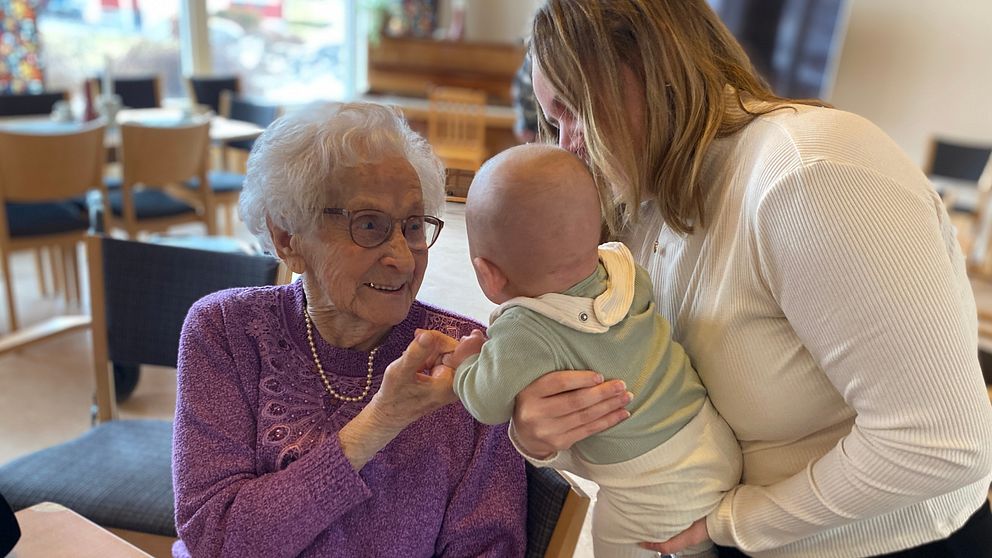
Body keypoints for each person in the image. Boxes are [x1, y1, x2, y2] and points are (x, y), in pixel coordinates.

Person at [510, 1, 992, 557]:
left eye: (573, 110)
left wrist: (733, 523)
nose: (565, 144)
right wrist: (545, 435)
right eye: (553, 120)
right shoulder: (645, 203)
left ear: (653, 67)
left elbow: (943, 443)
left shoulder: (811, 173)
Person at [171, 101, 527, 557]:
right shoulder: (226, 330)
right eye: (370, 225)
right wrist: (381, 421)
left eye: (413, 226)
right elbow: (215, 539)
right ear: (287, 237)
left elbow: (489, 548)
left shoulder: (465, 362)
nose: (402, 256)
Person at [444, 143, 741, 557]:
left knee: (616, 541)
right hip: (713, 437)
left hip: (648, 482)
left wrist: (465, 365)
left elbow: (487, 403)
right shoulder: (626, 269)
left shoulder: (524, 330)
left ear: (489, 275)